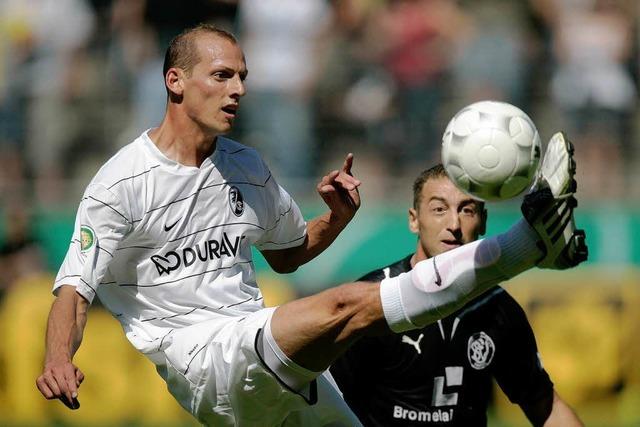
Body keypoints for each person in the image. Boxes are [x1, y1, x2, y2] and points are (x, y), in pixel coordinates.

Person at [36, 24, 587, 426]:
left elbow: (289, 252)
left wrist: (336, 220)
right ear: (175, 81)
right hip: (203, 359)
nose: (239, 90)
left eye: (244, 77)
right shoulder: (121, 183)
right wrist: (59, 356)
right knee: (349, 305)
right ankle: (531, 244)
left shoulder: (244, 166)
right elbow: (74, 289)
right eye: (222, 76)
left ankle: (532, 245)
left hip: (265, 352)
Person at [330, 164, 584, 426]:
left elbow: (545, 406)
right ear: (414, 220)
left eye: (467, 210)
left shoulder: (497, 308)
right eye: (439, 209)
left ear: (483, 221)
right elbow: (328, 405)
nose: (454, 224)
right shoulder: (375, 300)